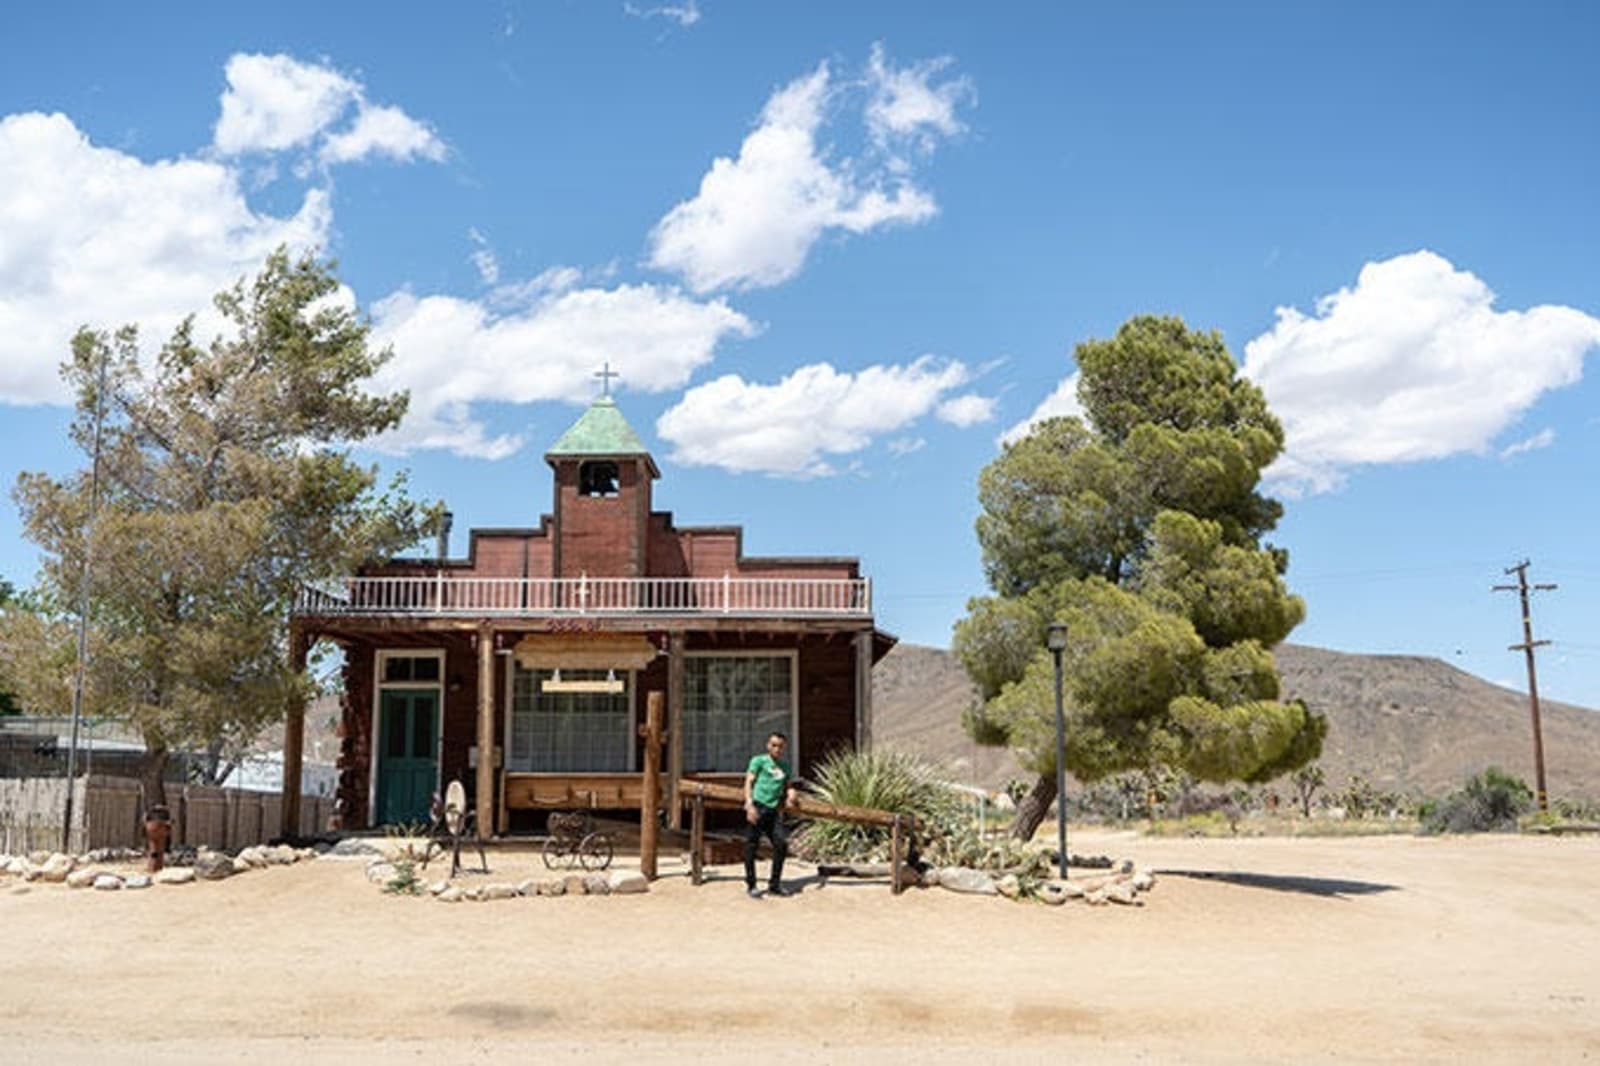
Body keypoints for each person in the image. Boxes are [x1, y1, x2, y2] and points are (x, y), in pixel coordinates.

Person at [743, 731, 797, 898]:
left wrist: (791, 794)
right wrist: (749, 804)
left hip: (773, 811)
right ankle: (751, 884)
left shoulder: (785, 767)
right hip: (758, 807)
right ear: (768, 745)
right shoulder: (758, 761)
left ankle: (774, 884)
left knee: (781, 844)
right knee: (751, 846)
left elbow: (789, 785)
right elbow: (749, 782)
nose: (777, 749)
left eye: (780, 746)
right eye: (774, 745)